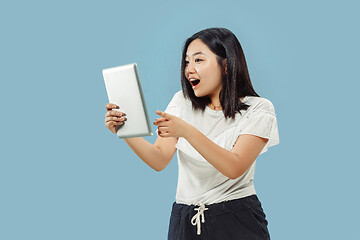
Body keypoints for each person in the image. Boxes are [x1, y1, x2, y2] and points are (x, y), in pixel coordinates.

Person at [104, 27, 279, 240]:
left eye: (198, 60)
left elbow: (235, 166)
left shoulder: (259, 109)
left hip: (236, 217)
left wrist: (187, 131)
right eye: (186, 62)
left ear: (225, 65)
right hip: (184, 219)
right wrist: (125, 131)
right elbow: (159, 159)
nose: (189, 70)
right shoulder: (182, 103)